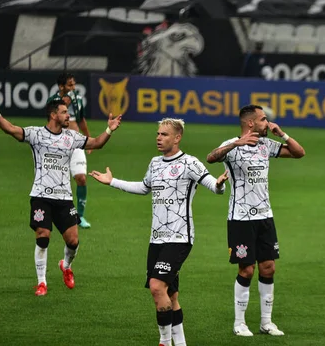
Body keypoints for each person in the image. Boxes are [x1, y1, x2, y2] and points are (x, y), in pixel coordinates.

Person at [89, 118, 228, 346]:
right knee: (171, 295)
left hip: (180, 237)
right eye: (158, 134)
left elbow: (214, 186)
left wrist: (220, 184)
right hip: (156, 239)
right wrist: (112, 181)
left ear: (177, 137)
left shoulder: (189, 163)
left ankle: (164, 341)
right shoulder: (155, 163)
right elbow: (144, 188)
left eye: (164, 134)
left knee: (156, 287)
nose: (158, 138)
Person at [0, 98, 122, 296]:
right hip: (41, 196)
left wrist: (109, 130)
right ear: (53, 114)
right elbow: (11, 129)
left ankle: (66, 266)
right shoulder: (36, 134)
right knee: (43, 236)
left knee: (73, 241)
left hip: (64, 198)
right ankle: (42, 283)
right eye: (64, 112)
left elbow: (97, 143)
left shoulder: (71, 137)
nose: (68, 116)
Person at [206, 104, 306, 337]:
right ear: (250, 123)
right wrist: (235, 144)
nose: (266, 123)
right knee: (247, 269)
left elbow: (299, 153)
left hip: (265, 216)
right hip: (240, 218)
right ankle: (239, 323)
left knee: (268, 268)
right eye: (263, 120)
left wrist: (282, 134)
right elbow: (210, 158)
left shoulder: (265, 145)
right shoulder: (231, 146)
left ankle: (266, 323)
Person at [47, 72, 92, 228]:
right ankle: (55, 213)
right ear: (61, 87)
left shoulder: (77, 99)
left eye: (74, 84)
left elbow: (81, 120)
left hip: (76, 143)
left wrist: (89, 140)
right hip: (58, 145)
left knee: (81, 178)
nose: (74, 87)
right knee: (57, 180)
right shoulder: (53, 102)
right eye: (70, 85)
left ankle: (80, 217)